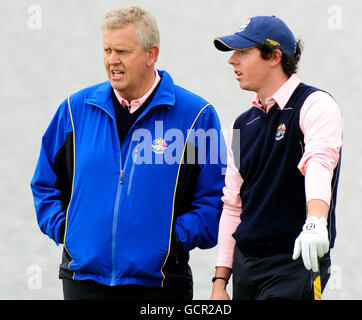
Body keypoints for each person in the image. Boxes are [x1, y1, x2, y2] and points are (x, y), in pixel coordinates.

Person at [30, 6, 226, 300]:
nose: (112, 61)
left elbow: (216, 201)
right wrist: (68, 231)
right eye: (107, 50)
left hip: (160, 284)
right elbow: (44, 185)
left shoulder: (198, 116)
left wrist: (169, 239)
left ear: (151, 54)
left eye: (122, 51)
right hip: (82, 279)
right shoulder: (73, 110)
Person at [210, 15, 343, 300]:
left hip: (295, 261)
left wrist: (316, 222)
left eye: (243, 52)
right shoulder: (240, 125)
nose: (232, 61)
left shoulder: (315, 104)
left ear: (274, 56)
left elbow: (319, 162)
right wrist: (220, 281)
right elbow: (233, 206)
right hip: (246, 267)